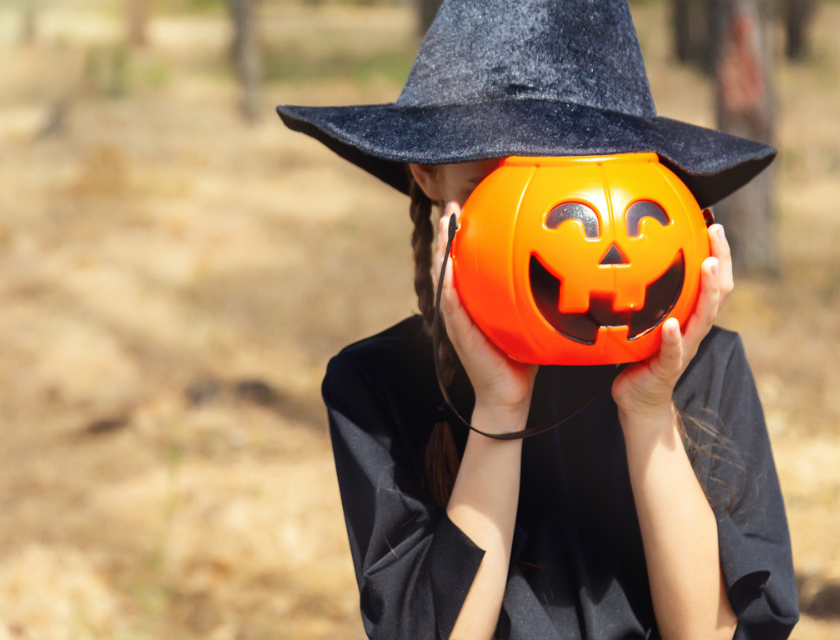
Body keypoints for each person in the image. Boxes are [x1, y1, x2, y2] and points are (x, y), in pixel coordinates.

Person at [277, 0, 799, 638]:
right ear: (427, 176)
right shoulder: (376, 387)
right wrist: (499, 408)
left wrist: (649, 409)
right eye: (494, 189)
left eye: (573, 190)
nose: (534, 229)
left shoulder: (703, 367)